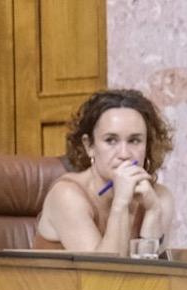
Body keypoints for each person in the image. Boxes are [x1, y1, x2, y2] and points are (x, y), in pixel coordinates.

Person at [35, 89, 175, 254]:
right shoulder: (66, 195)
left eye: (134, 140)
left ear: (147, 146)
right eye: (111, 140)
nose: (124, 154)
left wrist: (153, 212)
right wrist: (120, 203)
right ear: (90, 146)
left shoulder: (159, 197)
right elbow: (104, 275)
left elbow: (148, 274)